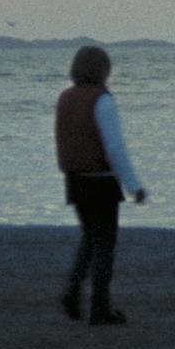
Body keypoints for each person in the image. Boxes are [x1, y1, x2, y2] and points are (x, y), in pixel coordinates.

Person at [53, 43, 147, 326]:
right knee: (104, 243)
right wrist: (134, 186)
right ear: (103, 71)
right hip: (101, 181)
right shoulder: (102, 101)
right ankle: (100, 307)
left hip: (75, 179)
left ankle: (73, 290)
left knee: (90, 238)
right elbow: (115, 147)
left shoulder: (66, 98)